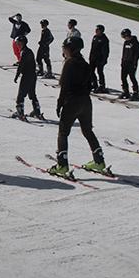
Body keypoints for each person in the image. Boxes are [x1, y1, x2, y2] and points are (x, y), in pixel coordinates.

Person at [48, 36, 106, 177]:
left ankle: (62, 164)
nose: (64, 52)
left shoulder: (70, 64)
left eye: (65, 49)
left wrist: (60, 103)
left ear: (70, 50)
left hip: (72, 101)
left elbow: (65, 85)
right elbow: (92, 84)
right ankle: (99, 161)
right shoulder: (85, 64)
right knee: (87, 131)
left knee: (63, 132)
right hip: (85, 102)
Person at [11, 35, 43, 119]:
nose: (17, 45)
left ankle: (20, 112)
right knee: (32, 94)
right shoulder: (29, 51)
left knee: (21, 95)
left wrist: (17, 75)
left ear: (22, 43)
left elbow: (21, 65)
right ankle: (37, 111)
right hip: (33, 75)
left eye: (18, 43)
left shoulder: (24, 52)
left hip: (27, 76)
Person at [119, 28, 139, 100]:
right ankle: (126, 91)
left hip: (131, 63)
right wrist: (122, 61)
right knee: (123, 77)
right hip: (125, 62)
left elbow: (137, 54)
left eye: (124, 37)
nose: (124, 38)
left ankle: (135, 92)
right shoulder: (126, 42)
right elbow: (124, 52)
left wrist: (134, 63)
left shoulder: (135, 43)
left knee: (132, 77)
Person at [89, 25, 110, 93]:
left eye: (97, 30)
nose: (96, 31)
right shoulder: (95, 37)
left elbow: (106, 51)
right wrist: (90, 56)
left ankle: (102, 85)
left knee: (100, 72)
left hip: (100, 59)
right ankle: (94, 83)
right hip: (93, 58)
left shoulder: (104, 39)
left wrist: (104, 60)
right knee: (91, 71)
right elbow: (92, 48)